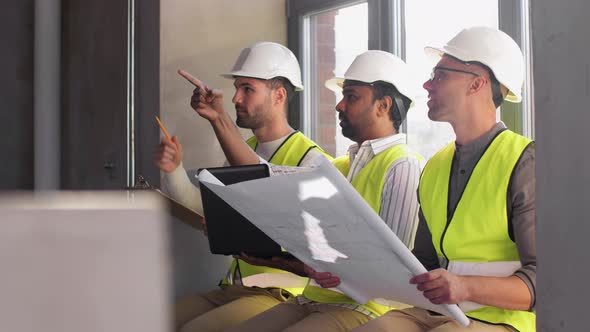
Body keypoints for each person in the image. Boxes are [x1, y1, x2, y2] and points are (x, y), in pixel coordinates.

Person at [197, 50, 423, 332]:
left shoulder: (402, 164)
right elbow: (266, 176)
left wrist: (297, 265)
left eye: (351, 96)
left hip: (367, 308)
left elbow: (391, 268)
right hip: (313, 299)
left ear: (384, 105)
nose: (339, 105)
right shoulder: (341, 167)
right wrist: (219, 119)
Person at [352, 27, 536, 332]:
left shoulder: (524, 162)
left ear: (477, 83)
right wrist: (350, 273)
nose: (426, 84)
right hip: (436, 312)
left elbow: (546, 281)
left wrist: (465, 287)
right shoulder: (435, 166)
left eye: (440, 75)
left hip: (503, 320)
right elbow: (423, 263)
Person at [154, 42, 332, 332]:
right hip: (235, 287)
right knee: (149, 319)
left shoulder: (311, 160)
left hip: (280, 293)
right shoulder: (240, 149)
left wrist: (218, 118)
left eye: (247, 89)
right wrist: (174, 170)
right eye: (237, 88)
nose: (236, 98)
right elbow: (206, 208)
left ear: (279, 95)